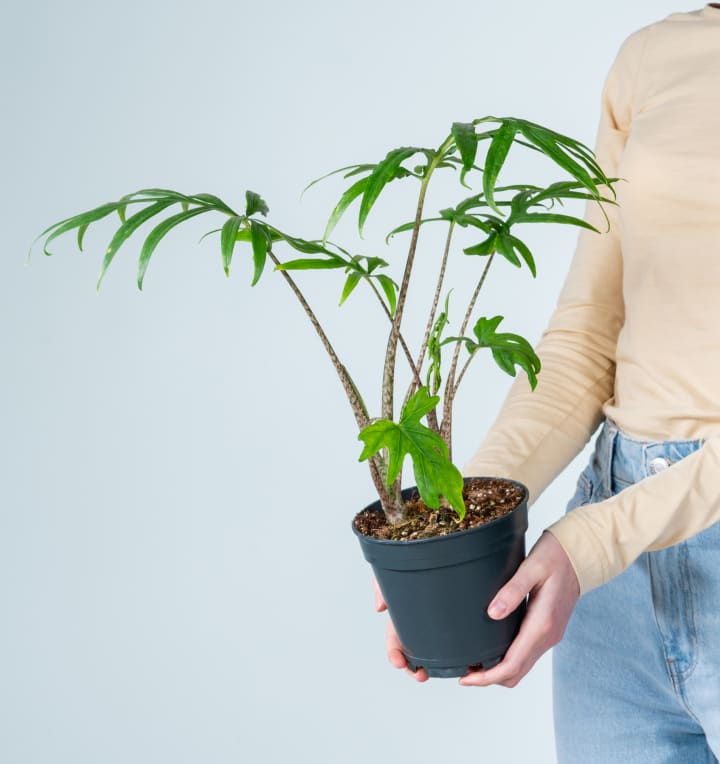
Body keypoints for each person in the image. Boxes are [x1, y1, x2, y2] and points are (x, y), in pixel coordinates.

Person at [375, 4, 720, 761]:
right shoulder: (656, 55)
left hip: (606, 540)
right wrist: (462, 528)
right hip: (612, 580)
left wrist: (591, 543)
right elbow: (587, 331)